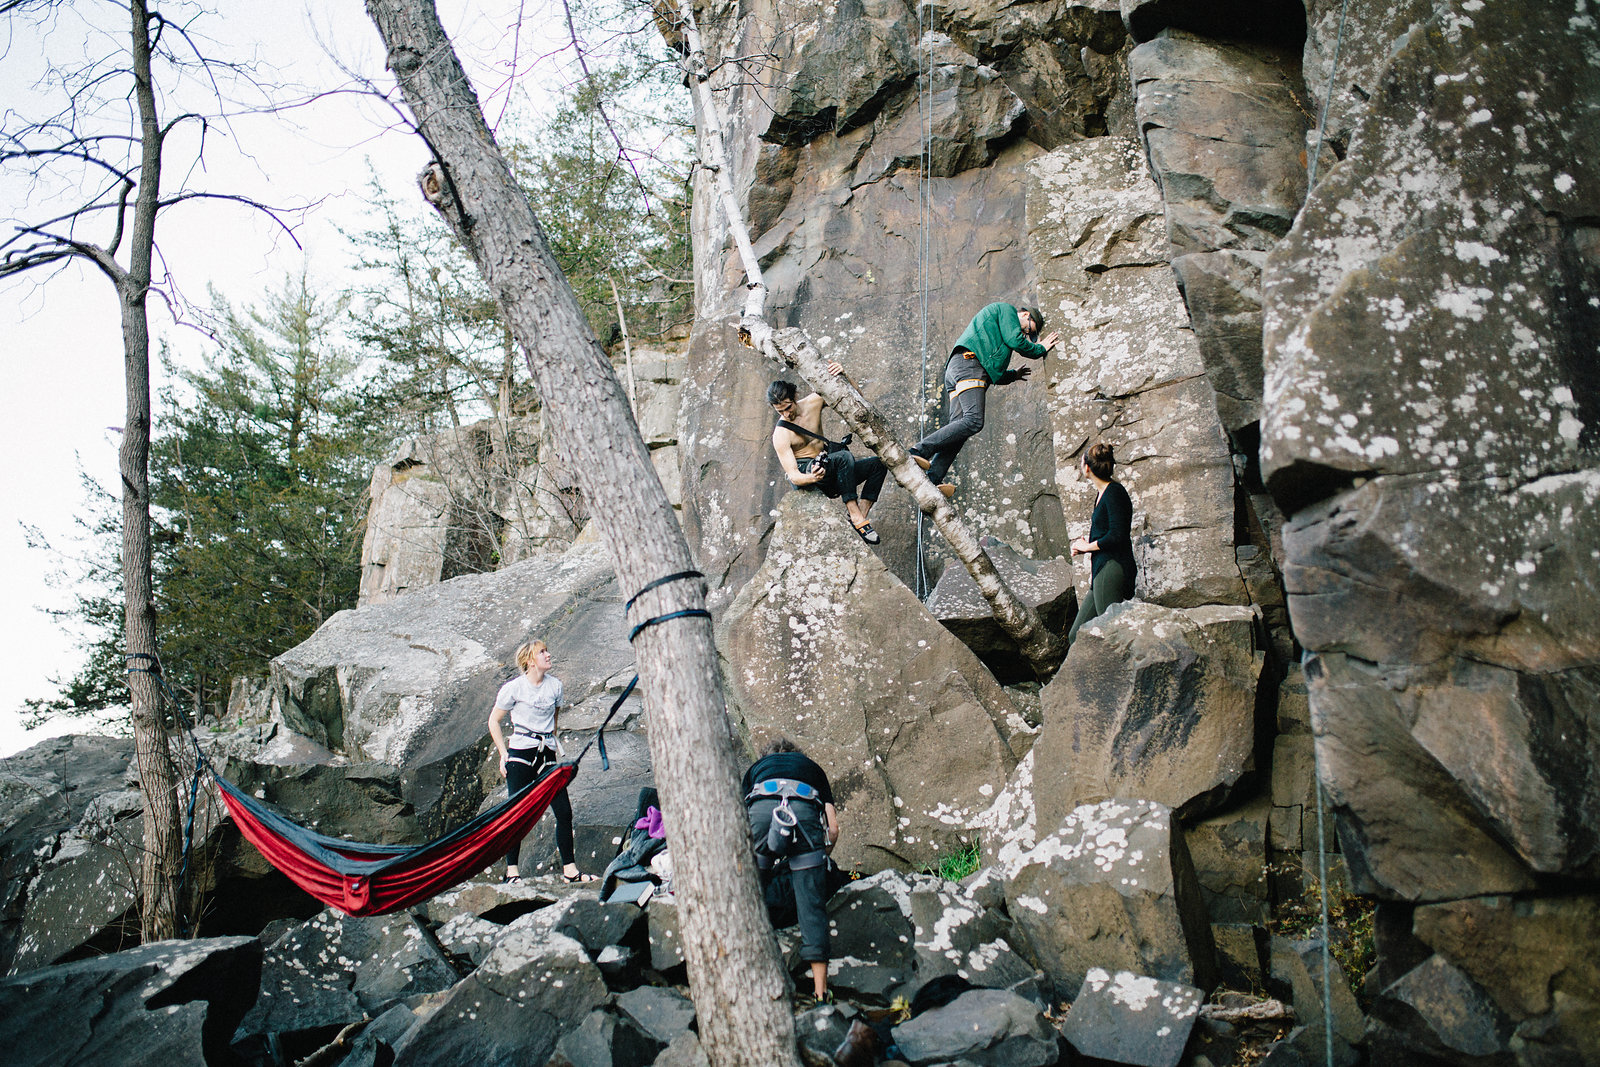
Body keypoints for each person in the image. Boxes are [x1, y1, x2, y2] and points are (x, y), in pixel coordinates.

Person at [910, 302, 1060, 492]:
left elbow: (991, 371)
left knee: (959, 430)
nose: (1025, 336)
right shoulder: (1007, 311)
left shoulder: (997, 331)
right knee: (973, 421)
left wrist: (1013, 375)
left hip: (960, 367)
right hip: (969, 365)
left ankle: (934, 476)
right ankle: (918, 450)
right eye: (1029, 330)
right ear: (1025, 315)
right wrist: (1040, 348)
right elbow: (1015, 341)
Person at [743, 736, 840, 1008]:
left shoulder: (757, 770)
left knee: (753, 900)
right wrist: (819, 859)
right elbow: (833, 828)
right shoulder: (811, 768)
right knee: (811, 907)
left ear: (766, 756)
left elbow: (741, 815)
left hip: (762, 811)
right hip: (803, 810)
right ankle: (821, 994)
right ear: (797, 754)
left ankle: (752, 983)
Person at [487, 639, 594, 884]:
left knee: (564, 811)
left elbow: (554, 720)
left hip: (546, 754)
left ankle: (570, 871)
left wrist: (550, 744)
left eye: (547, 650)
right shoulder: (514, 688)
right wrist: (504, 753)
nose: (548, 654)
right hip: (521, 753)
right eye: (542, 652)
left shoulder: (555, 686)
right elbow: (494, 721)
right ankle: (511, 872)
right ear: (529, 660)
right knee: (516, 813)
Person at [770, 363, 887, 544]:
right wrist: (812, 477)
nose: (786, 414)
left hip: (834, 470)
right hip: (811, 475)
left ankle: (860, 516)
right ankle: (856, 516)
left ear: (795, 397)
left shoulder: (813, 402)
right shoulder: (781, 435)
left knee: (878, 464)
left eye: (788, 407)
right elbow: (793, 476)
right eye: (780, 411)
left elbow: (855, 399)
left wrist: (844, 375)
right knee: (843, 458)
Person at [1068, 442, 1137, 644]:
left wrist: (1087, 547)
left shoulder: (1114, 492)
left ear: (1087, 467)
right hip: (1101, 568)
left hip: (1112, 567)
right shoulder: (1102, 494)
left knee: (1111, 633)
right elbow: (1108, 533)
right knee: (1077, 636)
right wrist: (1086, 543)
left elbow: (1118, 535)